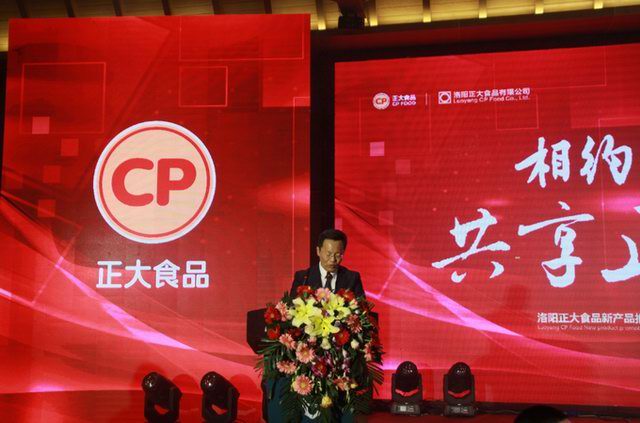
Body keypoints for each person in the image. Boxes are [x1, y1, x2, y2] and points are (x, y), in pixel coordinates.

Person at [290, 229, 365, 298]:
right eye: (328, 254)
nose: (333, 259)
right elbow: (292, 306)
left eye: (338, 255)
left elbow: (362, 307)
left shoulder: (352, 279)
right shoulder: (303, 278)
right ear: (318, 251)